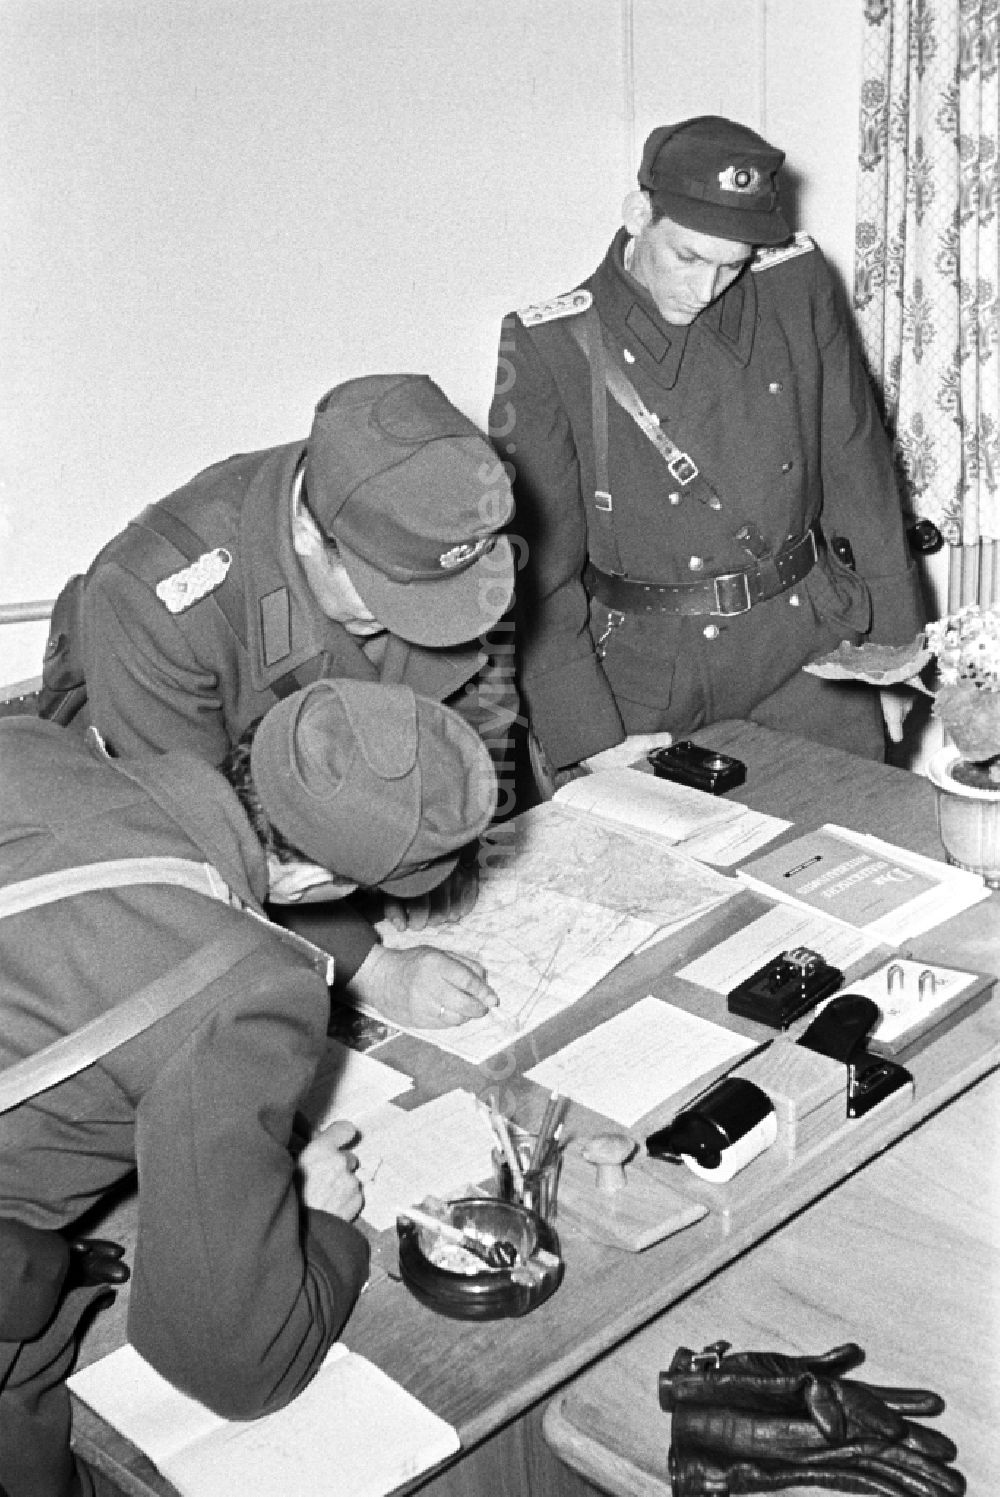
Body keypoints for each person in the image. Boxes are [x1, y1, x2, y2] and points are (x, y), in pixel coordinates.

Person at [0, 677, 499, 1497]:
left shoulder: (30, 743)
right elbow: (230, 1360)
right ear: (309, 887)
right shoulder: (244, 991)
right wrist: (313, 1222)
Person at [489, 115, 925, 785]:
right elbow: (538, 569)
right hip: (651, 685)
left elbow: (855, 465)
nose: (704, 289)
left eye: (732, 265)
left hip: (807, 650)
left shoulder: (795, 286)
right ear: (640, 214)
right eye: (687, 257)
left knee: (861, 853)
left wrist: (890, 653)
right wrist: (585, 730)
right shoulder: (552, 346)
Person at [67, 371, 519, 997]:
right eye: (388, 596)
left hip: (344, 848)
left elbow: (472, 700)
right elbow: (208, 842)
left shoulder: (416, 511)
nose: (407, 624)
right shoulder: (152, 603)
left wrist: (443, 849)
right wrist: (367, 968)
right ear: (309, 531)